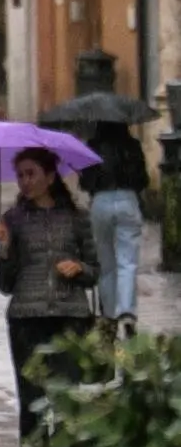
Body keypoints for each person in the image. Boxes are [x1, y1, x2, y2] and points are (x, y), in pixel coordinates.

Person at [0, 147, 98, 447]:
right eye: (20, 175)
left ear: (50, 176)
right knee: (32, 401)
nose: (25, 181)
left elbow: (96, 270)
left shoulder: (78, 218)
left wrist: (79, 269)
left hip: (71, 318)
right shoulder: (13, 220)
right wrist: (5, 249)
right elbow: (4, 285)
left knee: (68, 399)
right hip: (27, 319)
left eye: (31, 174)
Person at [79, 121, 148, 337]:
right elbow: (143, 179)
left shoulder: (91, 146)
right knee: (127, 261)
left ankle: (109, 315)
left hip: (100, 202)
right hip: (127, 199)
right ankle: (127, 311)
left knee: (105, 262)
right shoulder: (132, 145)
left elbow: (85, 182)